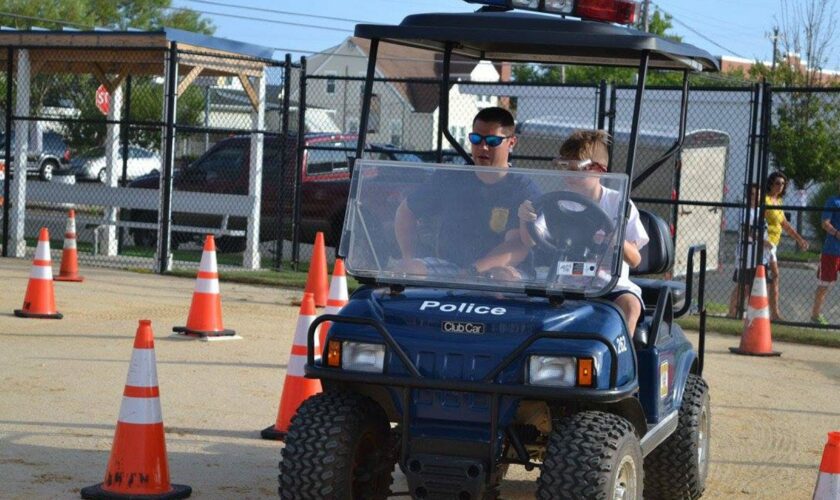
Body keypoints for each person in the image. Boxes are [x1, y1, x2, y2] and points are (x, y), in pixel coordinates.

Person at [519, 130, 648, 335]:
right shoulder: (555, 202)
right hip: (564, 283)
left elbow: (635, 259)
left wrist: (616, 239)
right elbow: (530, 242)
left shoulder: (618, 204)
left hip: (610, 286)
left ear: (600, 170)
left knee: (630, 305)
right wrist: (524, 220)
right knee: (526, 306)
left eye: (577, 168)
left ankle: (621, 363)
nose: (570, 175)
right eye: (564, 167)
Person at [394, 106, 539, 279]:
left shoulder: (523, 189)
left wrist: (472, 272)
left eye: (492, 141)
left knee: (502, 278)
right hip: (453, 267)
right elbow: (406, 211)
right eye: (476, 139)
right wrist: (409, 256)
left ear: (511, 142)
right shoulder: (449, 178)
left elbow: (517, 245)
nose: (483, 147)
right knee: (405, 269)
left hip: (504, 269)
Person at [764, 171, 809, 321]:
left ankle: (773, 313)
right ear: (770, 183)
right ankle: (774, 313)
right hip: (765, 243)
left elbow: (784, 224)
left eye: (783, 184)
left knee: (769, 277)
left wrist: (799, 239)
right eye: (777, 183)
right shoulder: (765, 200)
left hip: (773, 244)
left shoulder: (778, 202)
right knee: (774, 275)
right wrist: (762, 239)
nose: (780, 186)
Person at [728, 183, 772, 317]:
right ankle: (732, 313)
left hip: (760, 255)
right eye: (753, 194)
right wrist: (762, 241)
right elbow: (747, 229)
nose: (755, 197)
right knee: (743, 286)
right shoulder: (745, 211)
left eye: (758, 194)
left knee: (756, 286)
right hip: (747, 254)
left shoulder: (760, 211)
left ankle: (751, 314)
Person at [810, 179, 840, 325]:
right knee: (825, 283)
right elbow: (825, 223)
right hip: (833, 250)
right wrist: (836, 233)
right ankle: (816, 315)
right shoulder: (833, 201)